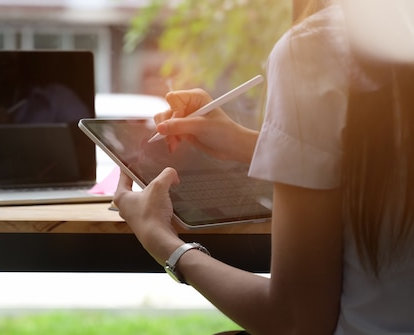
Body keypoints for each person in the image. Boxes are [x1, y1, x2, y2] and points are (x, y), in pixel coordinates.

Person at [112, 0, 414, 334]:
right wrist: (245, 143)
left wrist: (160, 238)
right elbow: (386, 168)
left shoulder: (319, 45)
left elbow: (294, 321)